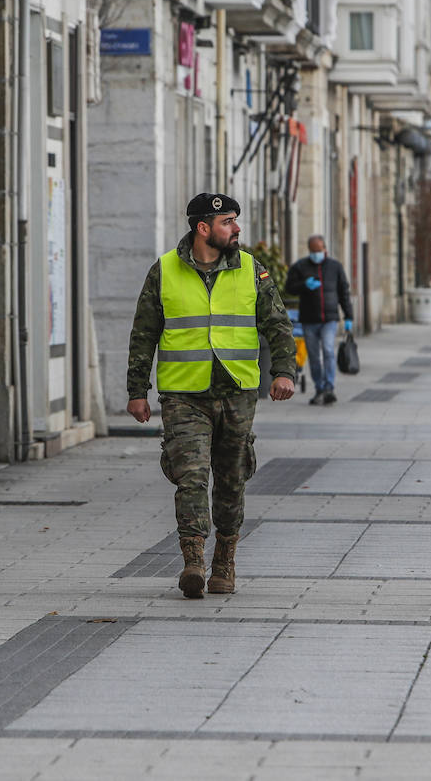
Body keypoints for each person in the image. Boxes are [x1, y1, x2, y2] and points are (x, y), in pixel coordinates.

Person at [126, 193, 296, 599]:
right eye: (228, 222)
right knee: (191, 477)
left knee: (232, 479)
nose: (236, 229)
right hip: (184, 393)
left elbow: (278, 324)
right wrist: (137, 391)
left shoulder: (251, 269)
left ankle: (224, 560)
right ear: (203, 228)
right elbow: (144, 332)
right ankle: (193, 560)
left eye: (235, 221)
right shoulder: (164, 270)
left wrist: (284, 371)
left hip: (237, 391)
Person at [284, 235, 354, 406]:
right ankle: (319, 388)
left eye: (319, 250)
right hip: (309, 319)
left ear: (325, 249)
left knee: (329, 350)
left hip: (329, 318)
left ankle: (329, 387)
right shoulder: (300, 267)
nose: (317, 254)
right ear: (309, 251)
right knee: (314, 356)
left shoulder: (335, 267)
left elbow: (344, 292)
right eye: (313, 251)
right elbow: (289, 288)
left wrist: (349, 316)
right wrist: (304, 285)